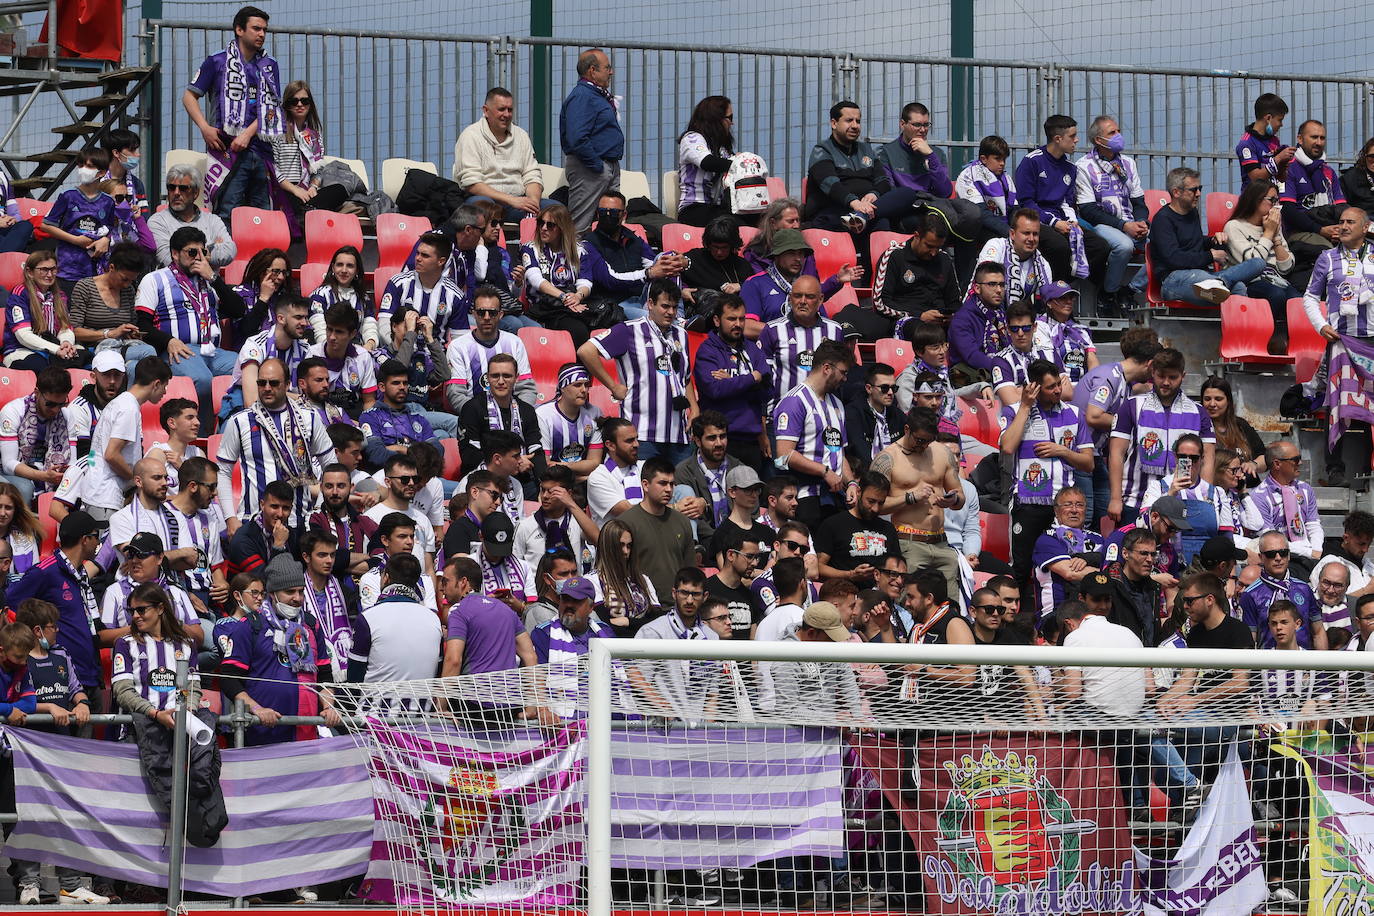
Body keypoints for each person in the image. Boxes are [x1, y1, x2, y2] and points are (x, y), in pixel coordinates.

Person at [218, 553, 344, 745]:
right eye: (290, 592)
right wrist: (257, 709)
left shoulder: (312, 625)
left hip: (306, 733)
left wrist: (328, 707)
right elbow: (229, 678)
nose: (297, 598)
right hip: (262, 733)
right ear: (272, 593)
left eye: (301, 592)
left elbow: (325, 674)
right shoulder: (250, 625)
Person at [134, 227, 242, 429]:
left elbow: (238, 310)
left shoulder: (209, 280)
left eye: (203, 252)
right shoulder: (156, 279)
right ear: (175, 254)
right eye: (192, 252)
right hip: (179, 350)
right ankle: (203, 436)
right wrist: (168, 341)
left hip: (213, 351)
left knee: (247, 369)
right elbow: (142, 325)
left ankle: (228, 430)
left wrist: (214, 278)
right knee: (202, 379)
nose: (199, 258)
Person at [183, 5, 282, 218]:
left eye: (264, 29)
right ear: (239, 29)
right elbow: (189, 97)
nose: (262, 34)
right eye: (256, 28)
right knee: (228, 213)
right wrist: (204, 128)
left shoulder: (269, 65)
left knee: (262, 215)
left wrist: (247, 134)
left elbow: (271, 107)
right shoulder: (217, 61)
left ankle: (262, 253)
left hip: (261, 150)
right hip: (226, 150)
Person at [217, 355, 336, 534]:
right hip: (253, 522)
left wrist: (319, 509)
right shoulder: (239, 421)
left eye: (273, 383)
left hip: (299, 523)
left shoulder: (309, 418)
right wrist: (230, 518)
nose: (266, 388)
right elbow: (223, 471)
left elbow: (332, 468)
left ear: (288, 385)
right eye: (261, 382)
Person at [579, 278, 693, 464]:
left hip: (678, 434)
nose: (670, 312)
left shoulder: (682, 334)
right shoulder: (629, 330)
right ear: (650, 304)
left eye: (674, 307)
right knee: (641, 490)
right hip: (640, 433)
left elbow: (685, 376)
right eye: (665, 306)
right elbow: (586, 351)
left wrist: (694, 409)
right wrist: (613, 386)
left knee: (681, 490)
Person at [999, 362, 1094, 584]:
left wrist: (1061, 450)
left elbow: (1088, 463)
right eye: (1051, 387)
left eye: (1058, 384)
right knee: (1022, 566)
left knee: (1067, 562)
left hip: (1063, 504)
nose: (1058, 390)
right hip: (1028, 501)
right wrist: (1025, 406)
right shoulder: (1013, 411)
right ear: (1035, 387)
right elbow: (1008, 447)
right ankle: (1021, 616)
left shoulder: (1075, 413)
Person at [1056, 598, 1152, 814]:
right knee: (1126, 741)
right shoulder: (1128, 632)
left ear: (1068, 623)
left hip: (1101, 721)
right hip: (1133, 718)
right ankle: (1136, 804)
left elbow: (1072, 693)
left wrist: (1056, 686)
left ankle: (1081, 800)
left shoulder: (1075, 637)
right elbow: (1150, 686)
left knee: (1060, 715)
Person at [1107, 347, 1214, 523]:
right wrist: (1115, 498)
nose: (1166, 382)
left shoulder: (1199, 412)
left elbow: (1208, 458)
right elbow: (1116, 454)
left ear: (1183, 376)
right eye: (1161, 376)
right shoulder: (1131, 405)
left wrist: (1206, 500)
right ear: (1152, 372)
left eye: (1172, 377)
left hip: (1183, 499)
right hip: (1136, 498)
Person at [7, 511, 104, 702]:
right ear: (85, 539)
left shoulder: (81, 574)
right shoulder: (45, 572)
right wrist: (36, 649)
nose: (98, 543)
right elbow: (9, 607)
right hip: (59, 681)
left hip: (89, 676)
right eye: (96, 537)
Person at [871, 407, 965, 601]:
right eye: (920, 440)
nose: (923, 446)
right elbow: (873, 506)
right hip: (909, 542)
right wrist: (909, 498)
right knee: (908, 603)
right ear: (907, 429)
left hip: (941, 542)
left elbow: (960, 497)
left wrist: (952, 499)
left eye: (928, 441)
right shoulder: (887, 458)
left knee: (950, 605)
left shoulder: (942, 453)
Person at [1070, 326, 1159, 526]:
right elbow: (1094, 416)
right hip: (1078, 454)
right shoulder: (1109, 376)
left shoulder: (1124, 382)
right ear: (1151, 364)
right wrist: (1133, 425)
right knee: (1085, 517)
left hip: (1095, 456)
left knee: (1104, 517)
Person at [1013, 115, 1110, 284]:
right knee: (1059, 246)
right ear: (1058, 139)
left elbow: (1067, 201)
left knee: (1100, 246)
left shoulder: (1070, 168)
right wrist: (1053, 222)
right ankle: (1054, 292)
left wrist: (1072, 221)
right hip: (1036, 221)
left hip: (1062, 221)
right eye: (1072, 136)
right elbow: (1026, 203)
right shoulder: (1032, 162)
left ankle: (1064, 285)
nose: (1076, 140)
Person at [1150, 166, 1267, 306]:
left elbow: (1193, 243)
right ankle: (1217, 284)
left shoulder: (1192, 213)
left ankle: (1221, 287)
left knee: (1255, 267)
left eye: (1200, 188)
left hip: (1203, 277)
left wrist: (1212, 240)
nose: (1198, 193)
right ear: (1176, 192)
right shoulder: (1163, 219)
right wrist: (1211, 256)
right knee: (1208, 280)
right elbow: (1174, 258)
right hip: (1174, 280)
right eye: (1193, 190)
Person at [773, 338, 857, 529]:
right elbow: (784, 455)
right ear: (827, 368)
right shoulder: (795, 401)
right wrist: (824, 471)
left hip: (835, 497)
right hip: (806, 497)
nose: (845, 378)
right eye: (842, 372)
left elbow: (838, 452)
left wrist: (851, 482)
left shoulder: (837, 404)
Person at [804, 100, 918, 235]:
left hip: (864, 212)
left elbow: (883, 181)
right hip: (834, 212)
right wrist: (854, 202)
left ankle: (860, 217)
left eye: (857, 121)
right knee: (880, 221)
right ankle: (860, 217)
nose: (855, 126)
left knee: (907, 194)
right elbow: (831, 184)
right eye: (849, 120)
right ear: (834, 123)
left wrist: (873, 194)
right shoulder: (822, 150)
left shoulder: (866, 150)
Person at [83, 357, 171, 526]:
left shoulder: (123, 403)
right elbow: (111, 454)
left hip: (99, 494)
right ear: (156, 384)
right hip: (105, 498)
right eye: (165, 386)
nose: (165, 392)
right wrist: (136, 481)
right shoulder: (128, 408)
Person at [1074, 115, 1149, 313]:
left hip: (1132, 224)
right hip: (1102, 225)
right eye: (1112, 133)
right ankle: (1107, 293)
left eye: (1118, 131)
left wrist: (1141, 223)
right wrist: (1124, 226)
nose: (1119, 136)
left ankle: (1131, 290)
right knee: (1124, 246)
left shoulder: (1128, 164)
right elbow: (1088, 210)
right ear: (1099, 140)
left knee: (1165, 243)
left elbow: (1139, 202)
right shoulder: (1083, 166)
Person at [691, 293, 772, 467]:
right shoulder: (707, 351)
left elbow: (766, 388)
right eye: (731, 319)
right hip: (720, 440)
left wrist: (732, 381)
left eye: (742, 319)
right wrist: (751, 378)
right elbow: (715, 390)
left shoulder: (753, 349)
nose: (738, 324)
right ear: (717, 320)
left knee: (750, 494)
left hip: (751, 439)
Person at [580, 193, 686, 322]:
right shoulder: (589, 244)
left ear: (623, 215)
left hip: (642, 297)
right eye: (603, 211)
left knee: (668, 257)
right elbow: (609, 280)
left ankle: (679, 314)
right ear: (597, 214)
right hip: (615, 304)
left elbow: (657, 266)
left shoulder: (632, 238)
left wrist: (683, 288)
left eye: (613, 212)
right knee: (650, 318)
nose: (607, 216)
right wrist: (649, 273)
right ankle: (678, 323)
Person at [344, 550, 441, 688]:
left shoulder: (368, 618)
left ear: (386, 578)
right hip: (421, 708)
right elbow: (438, 669)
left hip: (375, 707)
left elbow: (355, 677)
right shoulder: (434, 620)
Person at [455, 87, 547, 222]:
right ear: (486, 111)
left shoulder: (521, 135)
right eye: (501, 109)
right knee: (480, 207)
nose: (507, 114)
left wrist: (533, 201)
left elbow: (532, 174)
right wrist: (512, 200)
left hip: (519, 202)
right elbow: (472, 183)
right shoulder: (470, 136)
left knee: (556, 211)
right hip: (487, 201)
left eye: (510, 110)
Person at [98, 531, 203, 647]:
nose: (134, 560)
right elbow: (102, 637)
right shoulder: (115, 591)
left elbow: (199, 637)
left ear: (159, 558)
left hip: (175, 660)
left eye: (141, 555)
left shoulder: (176, 591)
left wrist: (170, 623)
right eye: (131, 555)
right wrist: (140, 626)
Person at [1222, 178, 1296, 339]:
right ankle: (1266, 338)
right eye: (1272, 200)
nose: (1277, 206)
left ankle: (1292, 344)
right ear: (1255, 200)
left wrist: (1275, 236)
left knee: (1298, 301)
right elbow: (1254, 263)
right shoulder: (1234, 226)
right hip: (1250, 281)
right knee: (1276, 295)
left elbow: (1287, 267)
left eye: (1278, 200)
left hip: (1276, 280)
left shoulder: (1273, 226)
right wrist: (1268, 233)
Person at [560, 48, 624, 232]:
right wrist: (598, 166)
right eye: (607, 67)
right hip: (590, 169)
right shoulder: (582, 96)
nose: (611, 72)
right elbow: (577, 137)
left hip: (604, 166)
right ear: (592, 70)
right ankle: (574, 260)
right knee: (580, 226)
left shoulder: (596, 95)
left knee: (611, 226)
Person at [270, 79, 349, 229]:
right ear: (287, 105)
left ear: (310, 104)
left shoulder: (314, 135)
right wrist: (295, 190)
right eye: (294, 101)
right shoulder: (277, 132)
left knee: (339, 190)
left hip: (307, 193)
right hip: (286, 189)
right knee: (289, 199)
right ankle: (308, 215)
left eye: (304, 101)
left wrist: (313, 187)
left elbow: (319, 169)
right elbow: (273, 168)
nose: (300, 105)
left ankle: (308, 213)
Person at [743, 198, 858, 297]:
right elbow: (759, 290)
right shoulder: (755, 253)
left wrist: (836, 280)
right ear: (773, 223)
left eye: (798, 220)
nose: (796, 225)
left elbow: (814, 294)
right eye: (790, 221)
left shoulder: (805, 253)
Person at [618, 458, 696, 604]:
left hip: (676, 607)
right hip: (641, 607)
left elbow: (690, 570)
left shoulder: (682, 521)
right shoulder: (625, 523)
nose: (669, 489)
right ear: (645, 485)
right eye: (662, 483)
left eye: (672, 484)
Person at [68, 242, 157, 370]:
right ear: (111, 267)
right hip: (99, 347)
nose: (127, 285)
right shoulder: (85, 287)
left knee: (139, 362)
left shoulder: (128, 291)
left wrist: (132, 333)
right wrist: (109, 333)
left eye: (132, 280)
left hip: (124, 345)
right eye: (124, 279)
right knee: (145, 354)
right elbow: (76, 331)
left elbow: (130, 324)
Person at [445, 288, 535, 413]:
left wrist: (517, 415)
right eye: (481, 312)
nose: (487, 317)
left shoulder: (515, 342)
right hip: (475, 418)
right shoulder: (458, 346)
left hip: (513, 416)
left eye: (492, 313)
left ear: (500, 315)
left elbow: (526, 388)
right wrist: (482, 418)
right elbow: (456, 394)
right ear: (474, 314)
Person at [40, 149, 118, 293]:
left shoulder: (108, 202)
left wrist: (105, 240)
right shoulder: (67, 196)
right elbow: (45, 225)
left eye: (89, 166)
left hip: (96, 272)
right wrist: (75, 240)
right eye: (81, 165)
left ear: (101, 173)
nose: (83, 169)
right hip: (67, 271)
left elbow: (111, 230)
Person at [521, 204, 597, 346]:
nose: (543, 228)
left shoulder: (580, 250)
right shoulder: (531, 248)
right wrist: (564, 297)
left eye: (550, 225)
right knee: (578, 331)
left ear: (562, 228)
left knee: (601, 324)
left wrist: (577, 296)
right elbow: (536, 279)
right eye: (540, 223)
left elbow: (585, 282)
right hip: (544, 308)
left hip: (572, 304)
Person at [0, 366, 74, 505]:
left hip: (48, 474)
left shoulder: (67, 415)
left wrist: (64, 475)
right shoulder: (13, 410)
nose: (56, 410)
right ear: (37, 392)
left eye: (61, 404)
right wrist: (44, 476)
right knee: (25, 489)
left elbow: (72, 461)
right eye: (50, 404)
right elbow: (8, 464)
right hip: (10, 473)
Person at [814, 471, 900, 590]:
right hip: (844, 595)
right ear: (859, 492)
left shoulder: (888, 528)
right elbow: (819, 567)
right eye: (871, 501)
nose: (875, 508)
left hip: (879, 598)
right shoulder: (834, 524)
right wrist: (850, 575)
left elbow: (898, 567)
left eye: (881, 503)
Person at [1239, 530, 1325, 649]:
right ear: (1261, 557)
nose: (1278, 558)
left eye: (1283, 552)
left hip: (1304, 663)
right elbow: (1248, 641)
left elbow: (1318, 631)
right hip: (1269, 664)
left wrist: (1323, 667)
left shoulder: (1304, 589)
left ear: (1289, 555)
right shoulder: (1250, 594)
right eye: (1271, 554)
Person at [1242, 441, 1324, 565]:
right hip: (1278, 557)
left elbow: (1313, 524)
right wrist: (1308, 553)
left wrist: (1317, 549)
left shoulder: (1305, 489)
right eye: (1295, 460)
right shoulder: (1259, 496)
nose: (1300, 463)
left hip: (1309, 551)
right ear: (1277, 464)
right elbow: (1270, 539)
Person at [871, 213, 960, 326]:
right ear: (916, 236)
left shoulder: (944, 259)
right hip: (908, 322)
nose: (934, 253)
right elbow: (881, 302)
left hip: (940, 321)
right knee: (923, 332)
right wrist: (918, 316)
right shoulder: (894, 256)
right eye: (929, 246)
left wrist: (951, 316)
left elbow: (954, 301)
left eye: (938, 247)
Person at [226, 294, 309, 415]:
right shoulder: (254, 345)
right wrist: (296, 398)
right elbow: (252, 401)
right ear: (281, 319)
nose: (305, 323)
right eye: (298, 317)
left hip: (287, 409)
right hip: (242, 406)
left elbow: (310, 397)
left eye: (306, 318)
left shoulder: (306, 350)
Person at [4, 251, 82, 372]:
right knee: (47, 370)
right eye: (44, 270)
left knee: (84, 358)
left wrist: (66, 343)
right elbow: (23, 335)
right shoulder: (20, 294)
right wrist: (55, 349)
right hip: (21, 350)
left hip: (54, 347)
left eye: (53, 269)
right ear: (30, 272)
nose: (50, 274)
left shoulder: (60, 295)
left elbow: (65, 328)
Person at [148, 164, 236, 268]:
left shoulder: (212, 220)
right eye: (171, 187)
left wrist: (186, 253)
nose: (176, 193)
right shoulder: (157, 221)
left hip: (208, 283)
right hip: (174, 283)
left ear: (195, 193)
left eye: (183, 188)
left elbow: (230, 251)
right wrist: (210, 249)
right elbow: (167, 258)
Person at [1031, 486, 1103, 615]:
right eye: (1068, 505)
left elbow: (1111, 564)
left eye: (1079, 505)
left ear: (1085, 510)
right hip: (1055, 615)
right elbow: (1070, 573)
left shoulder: (1098, 539)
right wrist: (1107, 574)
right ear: (1056, 511)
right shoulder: (1047, 539)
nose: (1074, 510)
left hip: (1093, 615)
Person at [514, 464, 599, 572]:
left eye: (551, 491)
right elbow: (516, 567)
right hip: (537, 588)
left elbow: (598, 540)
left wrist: (571, 504)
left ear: (568, 494)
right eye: (542, 490)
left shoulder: (577, 521)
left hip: (572, 586)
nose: (544, 496)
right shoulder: (525, 526)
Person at [672, 411, 736, 550]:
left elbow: (751, 509)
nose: (719, 443)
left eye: (723, 437)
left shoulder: (738, 468)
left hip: (738, 540)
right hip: (705, 542)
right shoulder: (683, 471)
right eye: (712, 438)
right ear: (697, 441)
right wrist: (719, 540)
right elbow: (692, 517)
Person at [954, 134, 1019, 271]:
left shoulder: (1005, 178)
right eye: (997, 159)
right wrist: (1009, 232)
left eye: (1004, 159)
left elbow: (1014, 209)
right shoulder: (968, 175)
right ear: (983, 159)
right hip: (974, 227)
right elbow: (980, 213)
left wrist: (1019, 231)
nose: (1002, 163)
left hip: (1002, 226)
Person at [1280, 119, 1345, 255]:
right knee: (1330, 254)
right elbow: (1288, 211)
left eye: (1322, 138)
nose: (1319, 142)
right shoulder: (1288, 167)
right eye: (1314, 137)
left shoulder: (1328, 171)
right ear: (1300, 139)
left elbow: (1341, 208)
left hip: (1329, 229)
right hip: (1299, 233)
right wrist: (1320, 230)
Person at [588, 518, 660, 637]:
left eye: (629, 546)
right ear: (607, 547)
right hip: (612, 647)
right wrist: (641, 627)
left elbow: (658, 620)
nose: (626, 551)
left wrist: (627, 622)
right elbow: (603, 625)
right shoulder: (592, 580)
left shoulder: (643, 579)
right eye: (620, 545)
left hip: (646, 647)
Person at [676, 95, 736, 227]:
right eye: (730, 118)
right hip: (694, 209)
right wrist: (739, 163)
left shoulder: (722, 147)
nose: (732, 123)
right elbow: (707, 162)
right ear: (716, 119)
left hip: (718, 209)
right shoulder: (692, 138)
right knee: (731, 225)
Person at [536, 364, 603, 480]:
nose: (584, 390)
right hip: (553, 483)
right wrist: (581, 475)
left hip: (583, 482)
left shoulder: (594, 413)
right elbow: (545, 465)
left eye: (586, 385)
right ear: (562, 387)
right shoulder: (543, 414)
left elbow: (595, 462)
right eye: (577, 385)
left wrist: (566, 466)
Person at [946, 261, 1009, 383]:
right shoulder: (962, 319)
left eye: (1002, 285)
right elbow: (972, 356)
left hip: (1002, 372)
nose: (999, 290)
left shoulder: (1002, 313)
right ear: (977, 288)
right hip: (974, 379)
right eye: (992, 284)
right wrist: (1005, 368)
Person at [1199, 376, 1267, 482]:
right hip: (1217, 492)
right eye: (1207, 399)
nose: (1212, 404)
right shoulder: (1198, 427)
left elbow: (1264, 457)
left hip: (1248, 489)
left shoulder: (1241, 425)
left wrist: (1253, 464)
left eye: (1218, 399)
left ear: (1228, 401)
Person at [1103, 527, 1163, 645]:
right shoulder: (1108, 586)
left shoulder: (1154, 587)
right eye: (1143, 553)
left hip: (1149, 659)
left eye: (1153, 554)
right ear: (1125, 553)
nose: (1150, 560)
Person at [1032, 281, 1097, 389]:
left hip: (1082, 388)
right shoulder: (1040, 326)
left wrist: (1093, 385)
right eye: (1062, 298)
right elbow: (1047, 362)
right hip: (1054, 388)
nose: (1069, 302)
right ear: (1049, 303)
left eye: (1071, 298)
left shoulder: (1080, 330)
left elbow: (1093, 362)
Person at [878, 101, 952, 197]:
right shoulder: (886, 153)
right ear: (902, 124)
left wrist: (930, 156)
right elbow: (887, 192)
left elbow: (945, 192)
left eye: (926, 125)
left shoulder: (937, 154)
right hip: (901, 206)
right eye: (917, 125)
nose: (922, 130)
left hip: (930, 207)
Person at [308, 246, 377, 348]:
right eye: (340, 265)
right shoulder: (319, 295)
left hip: (358, 350)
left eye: (350, 266)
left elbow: (369, 327)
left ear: (357, 270)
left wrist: (370, 344)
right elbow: (320, 333)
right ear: (333, 267)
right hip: (328, 351)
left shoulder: (364, 298)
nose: (344, 270)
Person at [681, 217, 754, 307]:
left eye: (724, 248)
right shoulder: (694, 258)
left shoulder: (742, 266)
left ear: (732, 245)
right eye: (715, 247)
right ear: (708, 244)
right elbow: (670, 281)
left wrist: (741, 286)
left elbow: (758, 287)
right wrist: (681, 291)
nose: (719, 252)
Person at [705, 528, 763, 639]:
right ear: (731, 555)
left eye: (757, 558)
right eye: (750, 557)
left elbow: (753, 641)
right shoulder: (706, 590)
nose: (755, 563)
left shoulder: (749, 595)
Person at [845, 363, 905, 468]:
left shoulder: (897, 415)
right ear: (869, 388)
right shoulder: (853, 413)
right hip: (865, 474)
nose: (890, 392)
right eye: (884, 388)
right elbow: (860, 451)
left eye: (894, 388)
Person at [586, 418, 641, 527]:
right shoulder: (598, 477)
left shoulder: (644, 467)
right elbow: (629, 513)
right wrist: (674, 507)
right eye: (629, 440)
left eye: (636, 439)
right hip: (614, 542)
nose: (636, 444)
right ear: (610, 445)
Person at [1235, 92, 1293, 190]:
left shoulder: (1274, 140)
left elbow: (1282, 178)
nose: (1281, 125)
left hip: (1272, 199)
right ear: (1268, 118)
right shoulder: (1247, 143)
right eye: (1280, 120)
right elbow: (1256, 177)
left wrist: (1283, 164)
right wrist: (1278, 159)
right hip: (1253, 202)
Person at [988, 300, 1039, 407]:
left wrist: (1023, 391)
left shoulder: (1048, 353)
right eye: (1015, 328)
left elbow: (1067, 393)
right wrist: (1045, 389)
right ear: (1008, 330)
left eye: (1026, 328)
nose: (1020, 333)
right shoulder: (1000, 361)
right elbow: (1011, 402)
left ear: (1034, 327)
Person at [524, 549, 579, 629]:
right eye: (564, 574)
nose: (570, 579)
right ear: (547, 578)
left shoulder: (584, 606)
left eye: (574, 573)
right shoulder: (538, 612)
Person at [0, 482, 41, 578]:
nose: (2, 513)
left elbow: (34, 574)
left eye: (8, 508)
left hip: (18, 590)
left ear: (15, 510)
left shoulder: (26, 536)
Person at [0, 165, 35, 254]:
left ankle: (5, 256)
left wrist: (13, 220)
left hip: (5, 228)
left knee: (25, 226)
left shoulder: (2, 177)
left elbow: (14, 212)